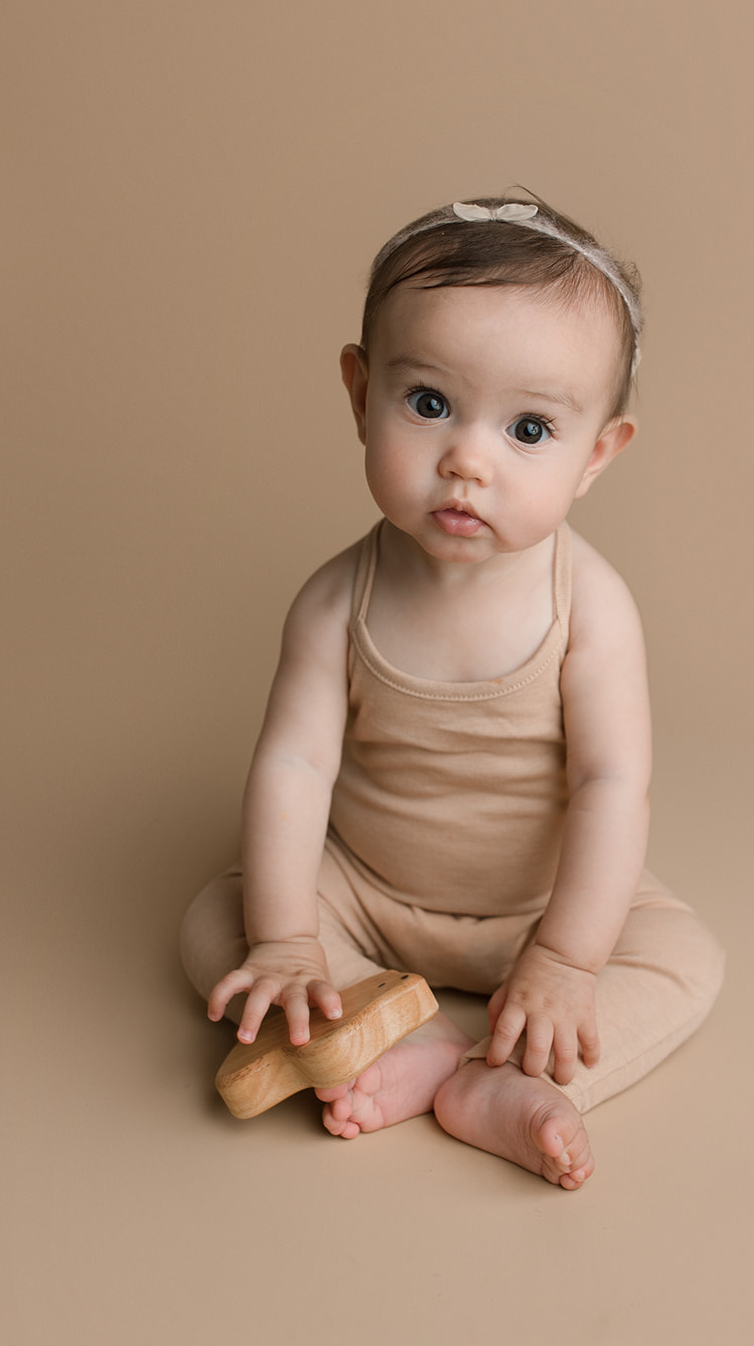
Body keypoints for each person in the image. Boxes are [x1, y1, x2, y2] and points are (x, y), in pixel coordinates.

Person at [180, 195, 724, 1189]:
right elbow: (295, 765)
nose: (466, 460)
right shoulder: (332, 602)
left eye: (527, 428)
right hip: (369, 893)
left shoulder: (591, 609)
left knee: (683, 957)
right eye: (428, 403)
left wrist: (564, 956)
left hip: (536, 907)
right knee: (219, 921)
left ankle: (502, 1080)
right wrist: (289, 937)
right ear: (359, 392)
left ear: (594, 453)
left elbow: (610, 785)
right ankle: (380, 1033)